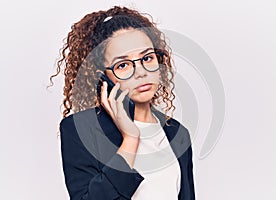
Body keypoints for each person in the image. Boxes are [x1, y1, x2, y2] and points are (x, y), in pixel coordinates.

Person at [50, 6, 195, 200]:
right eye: (123, 65)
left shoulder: (177, 133)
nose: (141, 72)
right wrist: (130, 139)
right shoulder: (81, 129)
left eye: (147, 58)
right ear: (102, 77)